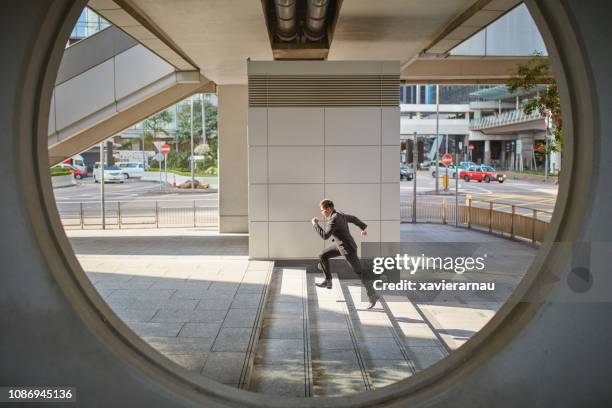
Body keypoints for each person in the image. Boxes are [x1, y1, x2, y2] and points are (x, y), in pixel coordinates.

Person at [311, 199, 380, 309]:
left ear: (328, 209)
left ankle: (372, 295)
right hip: (340, 245)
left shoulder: (333, 220)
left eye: (322, 210)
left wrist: (315, 225)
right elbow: (353, 218)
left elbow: (325, 236)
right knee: (322, 255)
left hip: (348, 249)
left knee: (359, 272)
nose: (321, 213)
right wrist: (363, 227)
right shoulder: (339, 214)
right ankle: (328, 281)